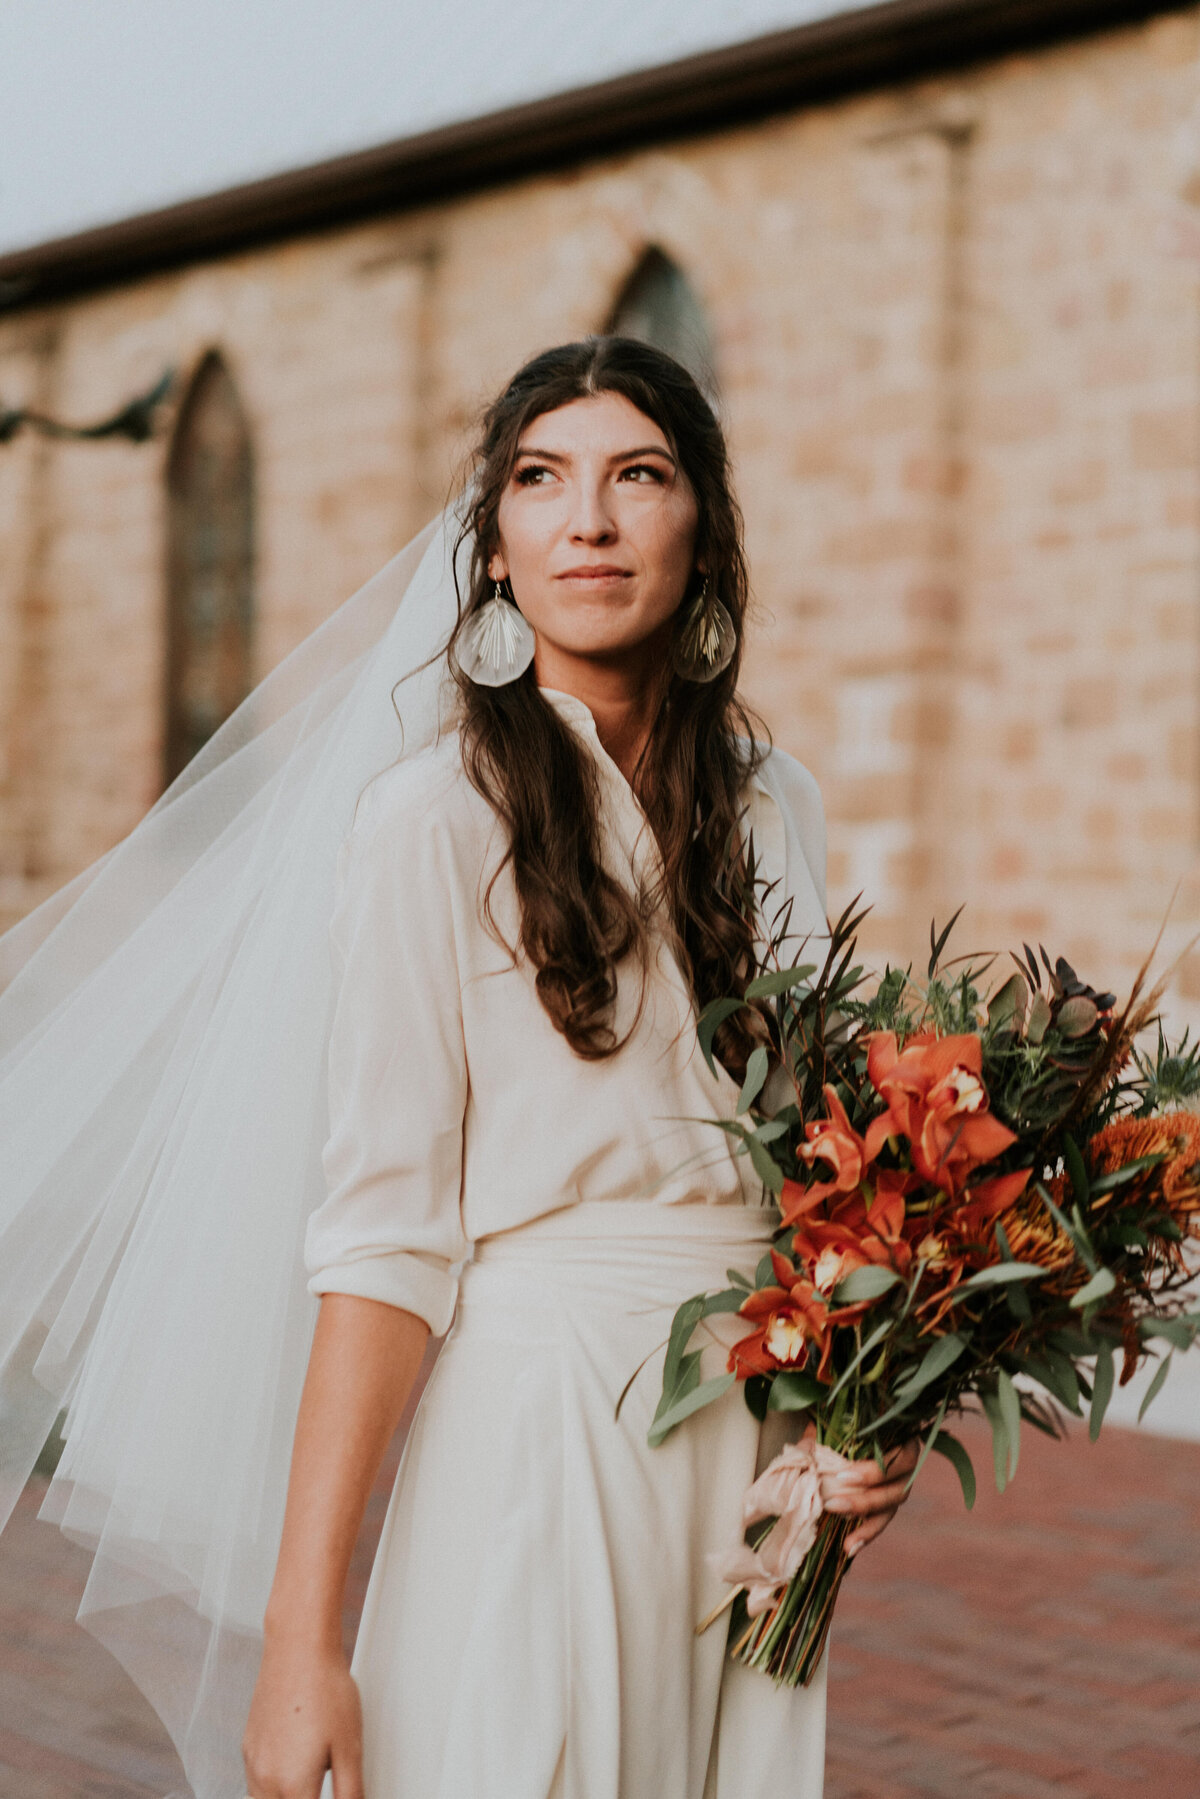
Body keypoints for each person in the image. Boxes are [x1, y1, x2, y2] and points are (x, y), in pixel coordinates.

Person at [237, 338, 918, 1799]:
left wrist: (867, 1425)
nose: (588, 520)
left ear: (705, 532)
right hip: (541, 1425)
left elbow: (826, 1175)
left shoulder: (776, 800)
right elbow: (383, 1240)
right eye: (540, 481)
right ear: (494, 552)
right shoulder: (430, 822)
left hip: (752, 1455)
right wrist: (305, 1638)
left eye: (639, 476)